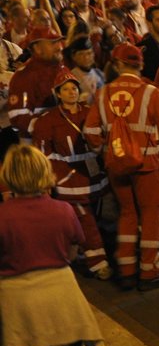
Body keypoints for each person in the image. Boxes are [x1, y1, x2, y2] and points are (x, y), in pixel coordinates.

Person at [0, 145, 107, 346]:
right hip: (62, 296)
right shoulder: (63, 210)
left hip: (19, 301)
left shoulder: (2, 217)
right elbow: (75, 247)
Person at [86, 46, 159, 289]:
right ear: (140, 65)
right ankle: (149, 272)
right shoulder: (151, 93)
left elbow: (91, 132)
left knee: (127, 213)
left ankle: (126, 269)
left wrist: (105, 152)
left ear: (117, 65)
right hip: (146, 165)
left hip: (116, 165)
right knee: (150, 216)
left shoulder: (103, 93)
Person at [29, 70, 108, 278]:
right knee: (86, 219)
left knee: (91, 216)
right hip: (68, 179)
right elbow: (43, 154)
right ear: (58, 93)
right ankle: (98, 262)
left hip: (92, 173)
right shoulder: (47, 120)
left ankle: (80, 252)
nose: (71, 92)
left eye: (74, 88)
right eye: (66, 89)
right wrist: (50, 179)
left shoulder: (89, 112)